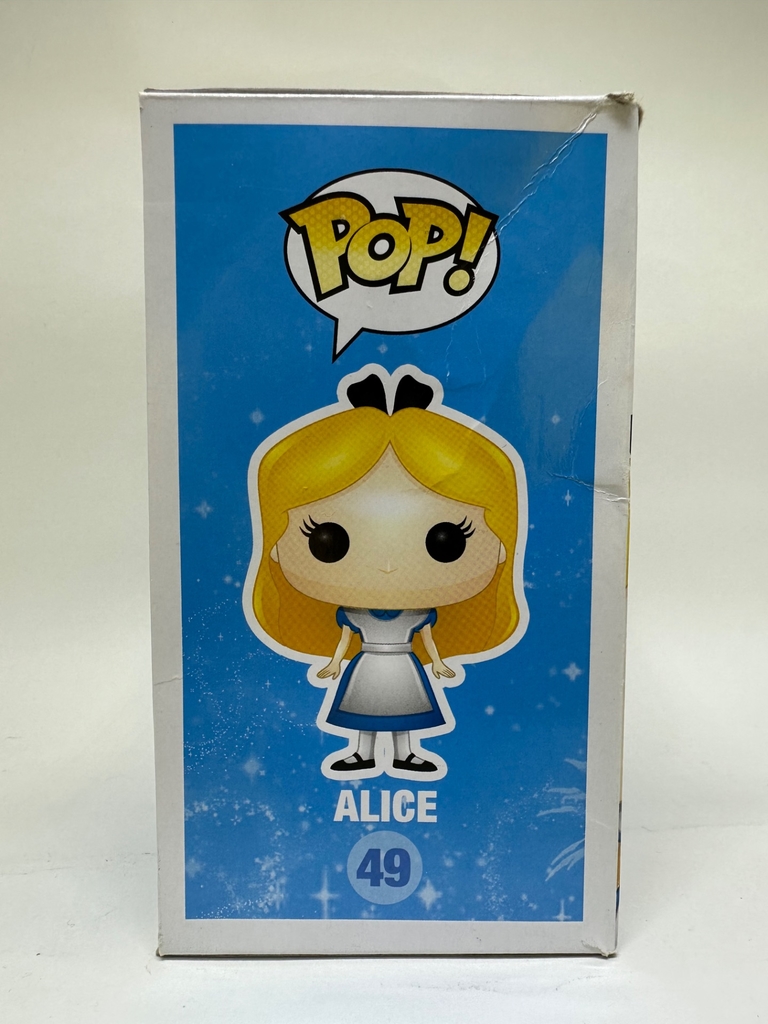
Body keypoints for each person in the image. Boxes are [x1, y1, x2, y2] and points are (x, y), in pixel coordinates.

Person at [247, 366, 526, 779]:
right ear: (274, 542)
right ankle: (361, 753)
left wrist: (438, 664)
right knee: (360, 709)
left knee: (406, 711)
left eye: (447, 540)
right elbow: (345, 639)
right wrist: (334, 664)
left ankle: (405, 754)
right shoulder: (353, 615)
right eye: (327, 539)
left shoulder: (419, 616)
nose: (389, 566)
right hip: (368, 664)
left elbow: (427, 639)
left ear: (502, 543)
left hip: (403, 665)